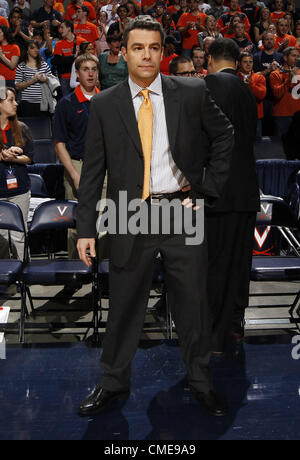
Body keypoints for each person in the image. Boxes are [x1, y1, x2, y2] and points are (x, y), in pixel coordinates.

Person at [76, 15, 234, 418]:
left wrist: (204, 190)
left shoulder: (192, 91)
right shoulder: (104, 104)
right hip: (130, 214)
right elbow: (93, 173)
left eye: (153, 47)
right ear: (123, 52)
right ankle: (112, 383)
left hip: (181, 211)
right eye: (137, 47)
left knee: (193, 307)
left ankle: (201, 382)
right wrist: (86, 229)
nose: (146, 55)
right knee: (125, 305)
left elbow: (225, 135)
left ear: (162, 52)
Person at [205, 38, 260, 354]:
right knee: (239, 264)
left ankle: (214, 335)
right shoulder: (247, 90)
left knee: (215, 264)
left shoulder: (207, 87)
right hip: (246, 192)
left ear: (210, 59)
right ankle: (235, 327)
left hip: (217, 194)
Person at [53, 53, 100, 260]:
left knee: (106, 220)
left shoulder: (106, 99)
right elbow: (59, 144)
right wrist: (73, 174)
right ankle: (76, 271)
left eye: (94, 69)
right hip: (77, 165)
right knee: (76, 222)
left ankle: (104, 272)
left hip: (103, 167)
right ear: (77, 74)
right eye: (85, 69)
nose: (90, 73)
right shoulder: (66, 103)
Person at [0, 87, 33, 261]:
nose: (16, 103)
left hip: (19, 191)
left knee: (19, 236)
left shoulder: (22, 128)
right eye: (10, 100)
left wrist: (14, 157)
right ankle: (5, 280)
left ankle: (23, 274)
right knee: (2, 239)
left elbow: (30, 158)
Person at [15, 40, 55, 117]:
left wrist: (45, 79)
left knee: (43, 126)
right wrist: (31, 81)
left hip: (43, 103)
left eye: (37, 48)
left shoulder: (44, 65)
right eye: (32, 48)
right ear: (27, 50)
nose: (35, 50)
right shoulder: (21, 66)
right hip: (27, 104)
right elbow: (17, 86)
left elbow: (53, 82)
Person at [269, 46, 300, 136]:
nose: (296, 59)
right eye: (294, 56)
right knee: (281, 146)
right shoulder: (275, 74)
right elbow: (277, 94)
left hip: (298, 115)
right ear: (285, 57)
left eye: (297, 56)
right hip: (282, 115)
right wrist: (289, 80)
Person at [52, 20, 87, 96]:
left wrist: (65, 59)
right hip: (65, 78)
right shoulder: (59, 44)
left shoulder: (82, 41)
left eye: (62, 27)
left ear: (69, 28)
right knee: (67, 103)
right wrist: (73, 58)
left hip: (79, 77)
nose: (60, 30)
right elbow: (56, 61)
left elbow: (87, 58)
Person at [238, 51, 266, 137]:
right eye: (245, 62)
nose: (248, 64)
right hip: (240, 117)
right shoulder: (235, 78)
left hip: (255, 117)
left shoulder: (259, 77)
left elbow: (262, 95)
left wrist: (251, 85)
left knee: (257, 144)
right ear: (239, 63)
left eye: (250, 62)